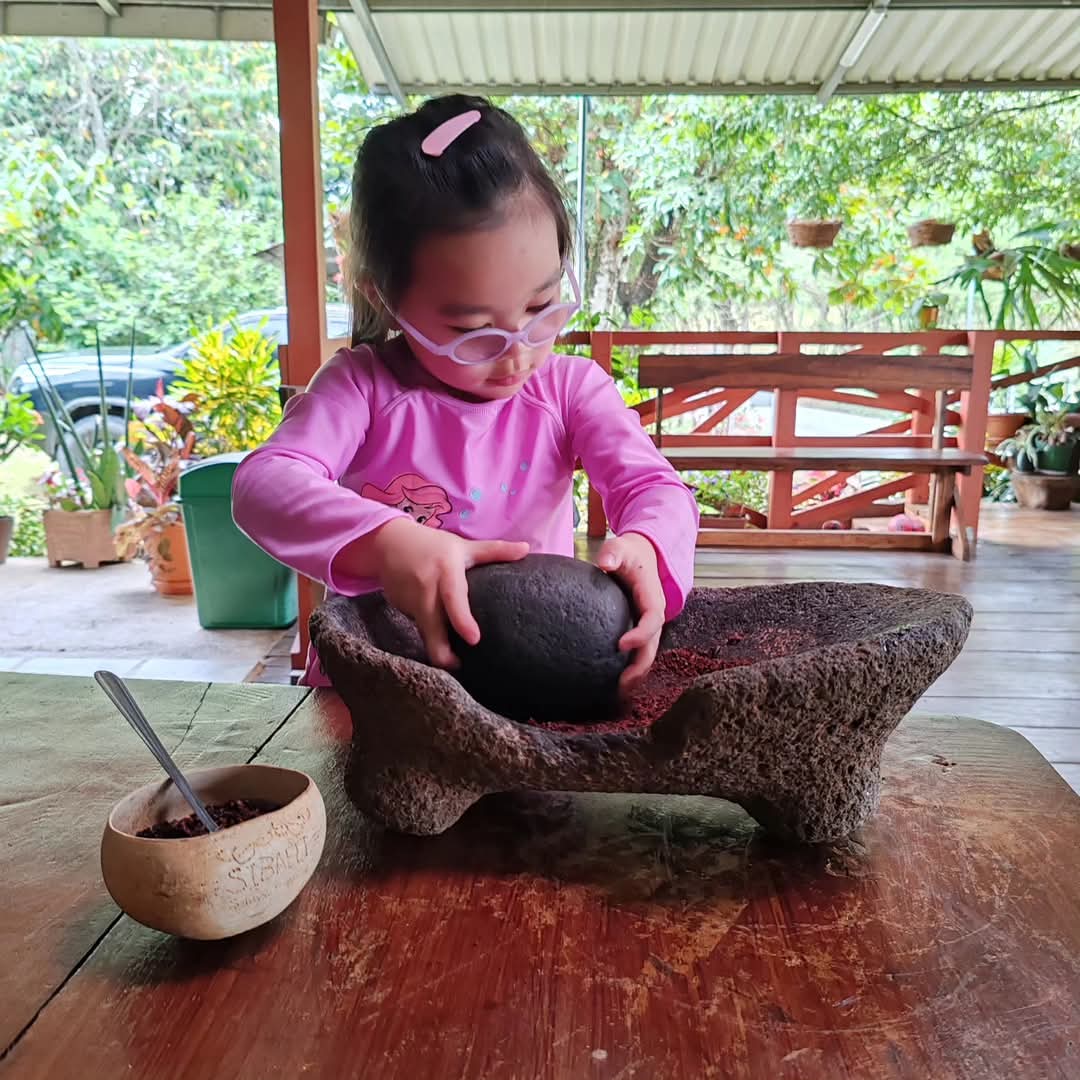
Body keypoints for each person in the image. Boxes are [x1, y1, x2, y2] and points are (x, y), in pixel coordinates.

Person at [232, 94, 699, 689]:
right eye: (472, 332)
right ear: (385, 298)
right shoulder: (363, 389)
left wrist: (646, 547)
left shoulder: (570, 390)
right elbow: (263, 485)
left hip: (523, 689)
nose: (519, 353)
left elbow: (654, 486)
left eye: (541, 306)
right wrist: (389, 543)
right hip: (372, 696)